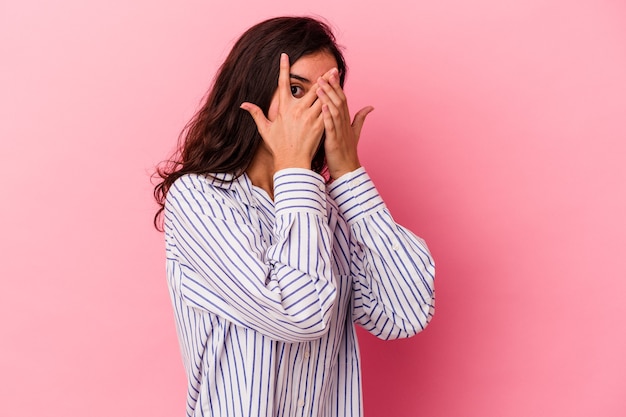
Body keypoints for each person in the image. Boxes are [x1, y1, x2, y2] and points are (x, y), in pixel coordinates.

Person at [153, 16, 435, 417]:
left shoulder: (329, 208)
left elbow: (404, 314)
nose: (311, 111)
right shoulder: (200, 199)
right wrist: (296, 170)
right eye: (296, 89)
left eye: (326, 95)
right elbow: (299, 314)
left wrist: (350, 176)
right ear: (252, 92)